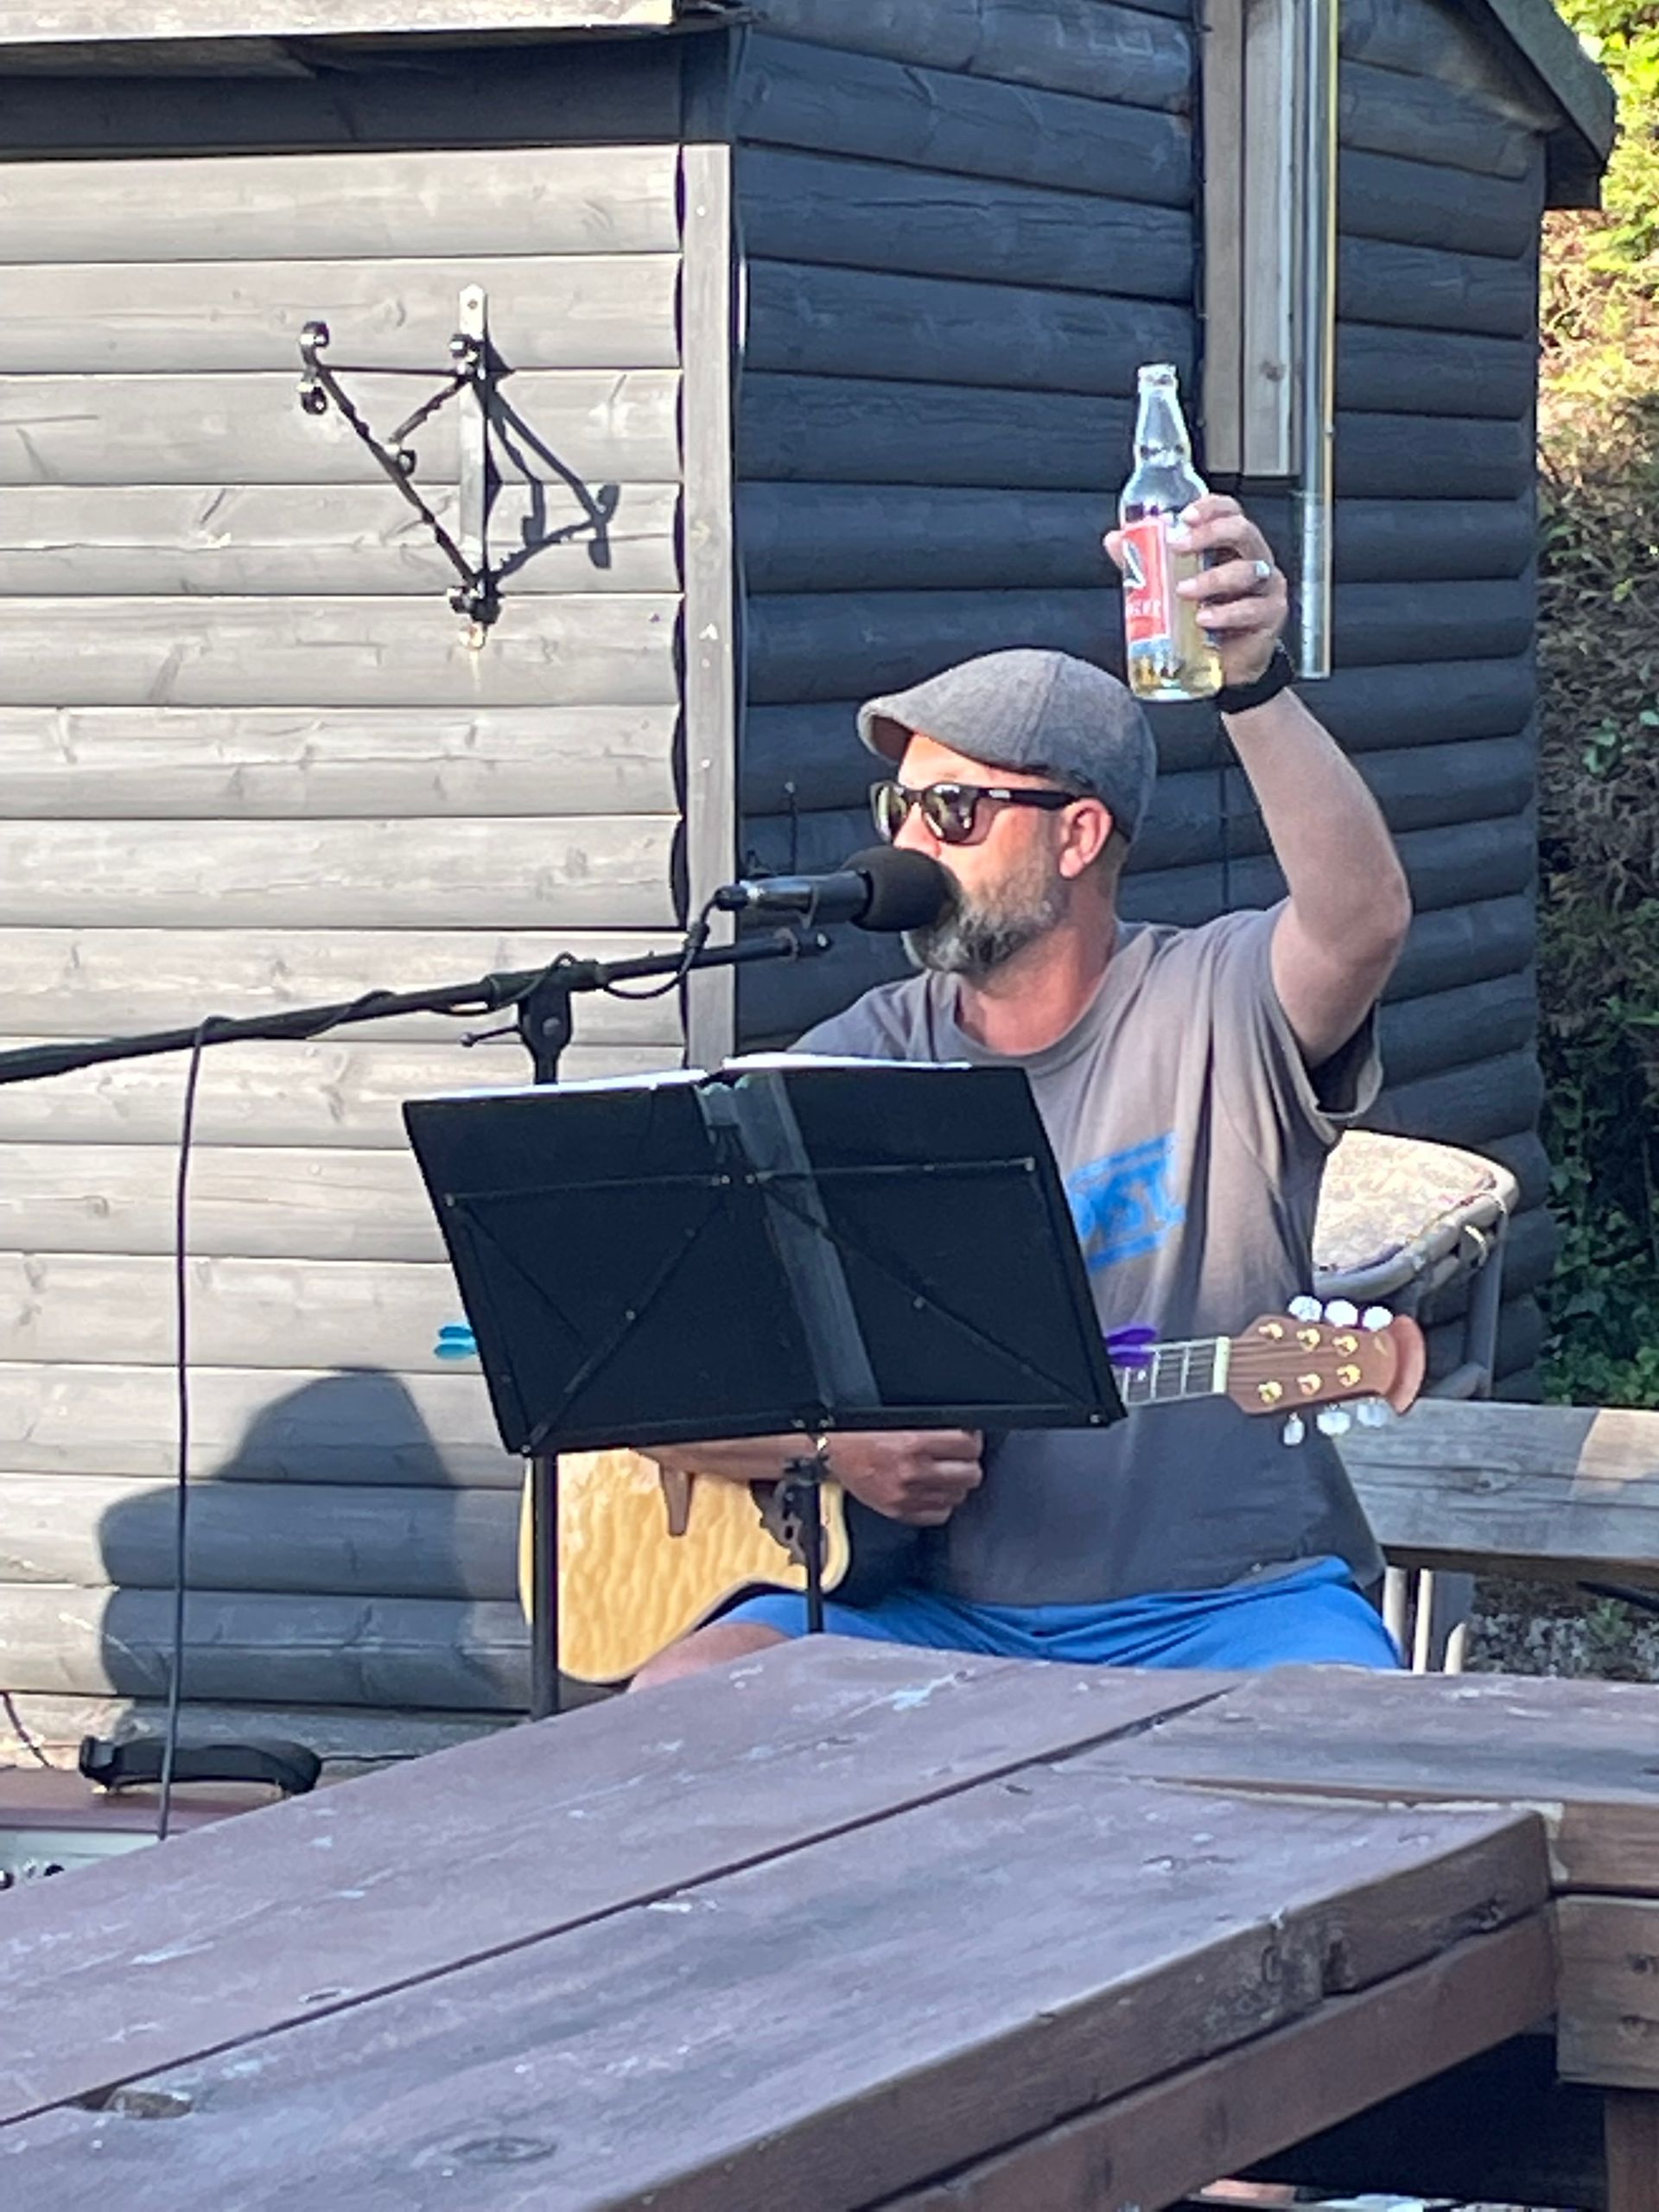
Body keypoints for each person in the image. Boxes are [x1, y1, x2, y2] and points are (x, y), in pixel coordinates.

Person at [629, 494, 1414, 1690]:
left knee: (1366, 1769)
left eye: (955, 810)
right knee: (674, 1707)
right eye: (902, 811)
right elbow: (640, 1373)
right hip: (938, 1616)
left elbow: (1361, 922)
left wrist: (1249, 681)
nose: (913, 845)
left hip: (1238, 1604)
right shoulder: (857, 1060)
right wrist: (832, 1450)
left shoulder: (1212, 1001)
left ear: (1079, 834)